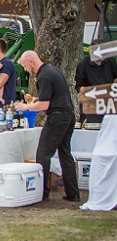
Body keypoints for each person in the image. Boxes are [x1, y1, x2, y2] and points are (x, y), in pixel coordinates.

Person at [15, 50, 81, 202]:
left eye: (25, 66)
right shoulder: (53, 71)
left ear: (31, 61)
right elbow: (52, 96)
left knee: (43, 154)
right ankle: (73, 193)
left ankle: (41, 192)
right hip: (68, 115)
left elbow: (45, 104)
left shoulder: (43, 76)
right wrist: (37, 100)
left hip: (57, 117)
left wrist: (25, 107)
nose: (26, 70)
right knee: (65, 153)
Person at [74, 39, 117, 125]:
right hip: (92, 104)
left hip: (109, 103)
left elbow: (115, 78)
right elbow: (79, 86)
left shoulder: (110, 61)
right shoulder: (83, 65)